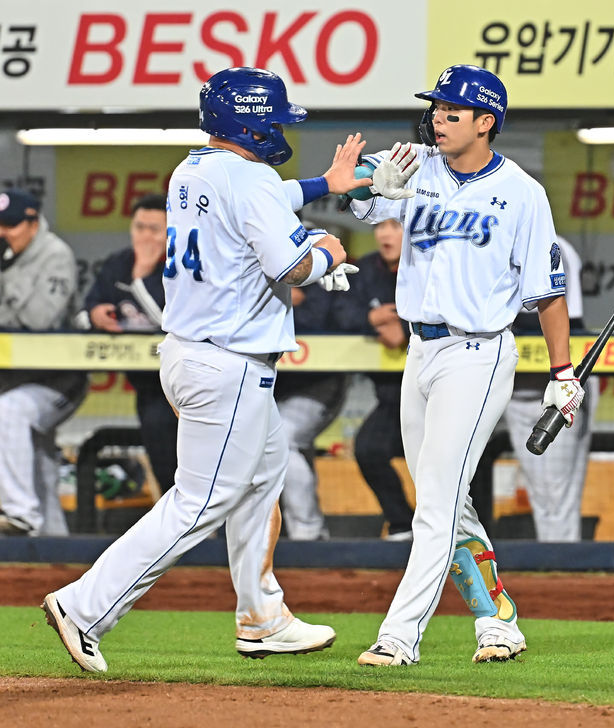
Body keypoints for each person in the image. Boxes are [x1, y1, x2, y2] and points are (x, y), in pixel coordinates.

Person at [41, 66, 415, 672]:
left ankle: (262, 618)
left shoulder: (192, 170)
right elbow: (291, 267)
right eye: (272, 120)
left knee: (263, 481)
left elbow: (262, 199)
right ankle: (84, 606)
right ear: (249, 123)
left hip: (196, 354)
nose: (280, 129)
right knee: (200, 502)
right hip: (228, 364)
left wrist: (327, 183)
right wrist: (327, 251)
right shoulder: (250, 178)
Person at [347, 64, 583, 666]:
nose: (438, 120)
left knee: (435, 502)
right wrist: (370, 186)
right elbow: (355, 192)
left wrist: (562, 374)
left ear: (485, 122)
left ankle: (400, 636)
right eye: (436, 110)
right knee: (444, 498)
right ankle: (497, 619)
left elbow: (548, 292)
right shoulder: (416, 165)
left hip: (477, 353)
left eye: (452, 112)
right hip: (419, 351)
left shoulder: (523, 192)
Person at [0, 189, 88, 536]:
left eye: (11, 225)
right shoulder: (7, 253)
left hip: (58, 380)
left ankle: (21, 515)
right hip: (16, 378)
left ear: (33, 222)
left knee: (9, 412)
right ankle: (53, 544)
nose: (3, 233)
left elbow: (39, 319)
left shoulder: (55, 254)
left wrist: (9, 272)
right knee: (40, 466)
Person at [80, 193, 179, 495]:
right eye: (139, 227)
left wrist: (141, 278)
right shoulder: (119, 263)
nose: (145, 237)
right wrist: (95, 315)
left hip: (185, 381)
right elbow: (84, 312)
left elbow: (172, 323)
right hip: (148, 386)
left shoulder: (184, 264)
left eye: (154, 229)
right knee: (162, 461)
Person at [504, 235, 597, 541]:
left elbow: (551, 318)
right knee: (547, 493)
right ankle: (559, 558)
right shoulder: (494, 238)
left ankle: (559, 559)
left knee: (555, 491)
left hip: (556, 382)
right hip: (522, 387)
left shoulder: (548, 244)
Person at [337, 218, 416, 541]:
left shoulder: (428, 264)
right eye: (380, 226)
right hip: (390, 395)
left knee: (451, 461)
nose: (385, 234)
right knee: (369, 448)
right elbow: (338, 312)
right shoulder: (365, 270)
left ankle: (462, 530)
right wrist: (372, 319)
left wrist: (406, 328)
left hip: (433, 391)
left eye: (395, 226)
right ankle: (402, 524)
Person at [275, 278, 348, 540]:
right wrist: (280, 299)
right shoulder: (255, 269)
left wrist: (278, 302)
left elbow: (331, 318)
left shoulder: (322, 273)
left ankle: (308, 531)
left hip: (318, 383)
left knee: (284, 439)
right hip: (270, 383)